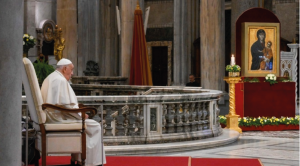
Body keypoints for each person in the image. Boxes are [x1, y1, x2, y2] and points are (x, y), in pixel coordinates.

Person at [41, 58, 106, 166]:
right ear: (65, 68)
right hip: (58, 119)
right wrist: (81, 115)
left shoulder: (51, 77)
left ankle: (80, 159)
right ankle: (91, 162)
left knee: (90, 125)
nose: (72, 73)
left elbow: (62, 104)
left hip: (54, 117)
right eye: (71, 70)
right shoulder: (60, 80)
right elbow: (66, 106)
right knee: (95, 126)